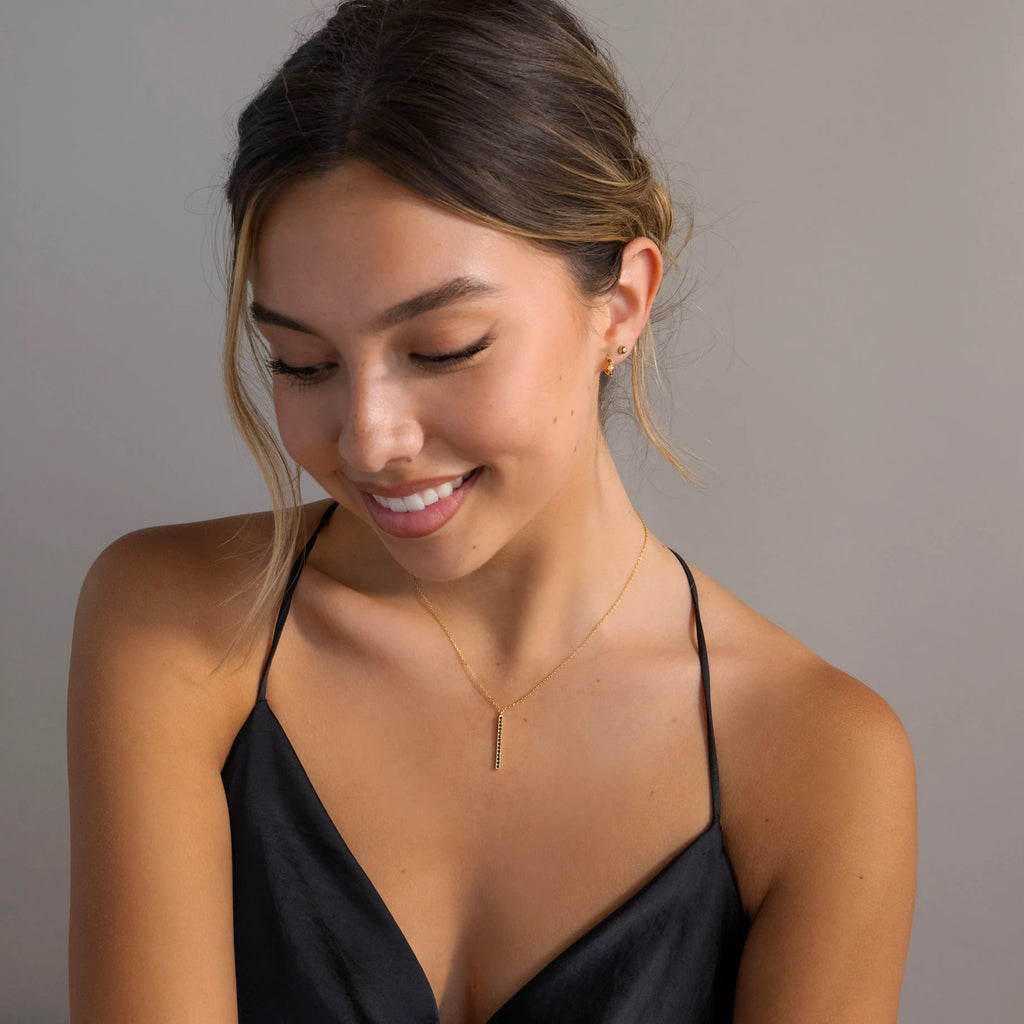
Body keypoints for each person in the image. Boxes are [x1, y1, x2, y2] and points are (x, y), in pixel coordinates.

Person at [67, 0, 917, 1021]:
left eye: (444, 347)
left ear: (622, 305)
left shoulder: (820, 760)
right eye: (304, 363)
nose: (368, 437)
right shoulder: (177, 625)